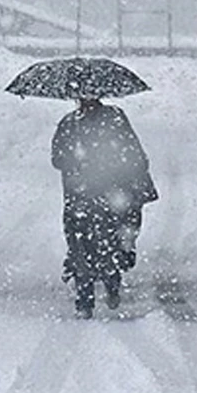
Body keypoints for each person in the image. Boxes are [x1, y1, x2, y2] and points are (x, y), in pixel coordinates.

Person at [51, 96, 157, 317]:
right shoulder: (115, 119)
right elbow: (134, 153)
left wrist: (79, 162)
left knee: (81, 245)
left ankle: (85, 300)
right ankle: (111, 285)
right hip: (111, 195)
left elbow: (57, 160)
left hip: (80, 197)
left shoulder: (69, 123)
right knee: (109, 242)